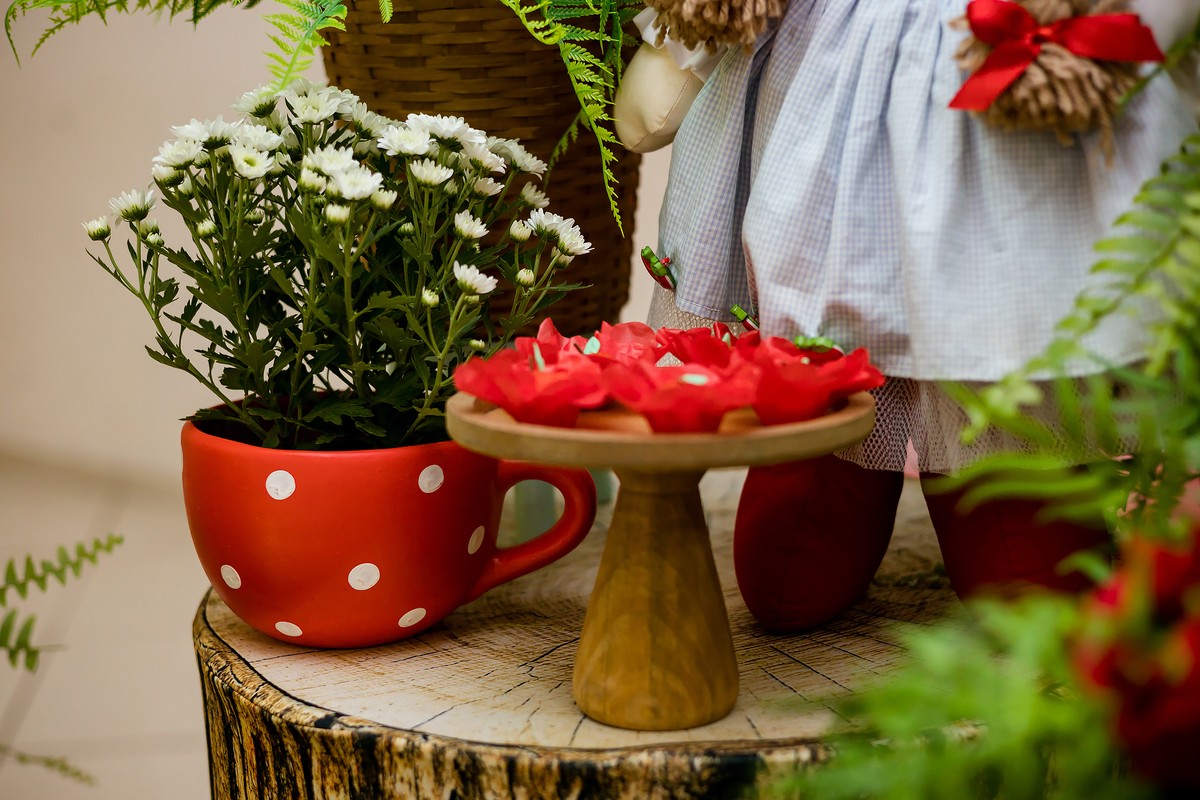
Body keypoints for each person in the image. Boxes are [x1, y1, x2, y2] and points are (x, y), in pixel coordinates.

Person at [616, 0, 1200, 629]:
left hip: (1010, 83)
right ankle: (822, 444)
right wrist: (679, 47)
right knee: (788, 570)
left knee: (1025, 572)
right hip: (825, 106)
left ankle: (1008, 471)